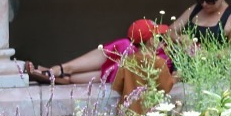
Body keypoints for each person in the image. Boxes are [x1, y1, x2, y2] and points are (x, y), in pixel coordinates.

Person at [25, 18, 171, 86]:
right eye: (157, 36)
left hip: (116, 71)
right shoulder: (126, 46)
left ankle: (47, 74)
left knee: (72, 79)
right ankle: (54, 71)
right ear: (149, 40)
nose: (162, 38)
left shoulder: (162, 55)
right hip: (119, 61)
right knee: (123, 48)